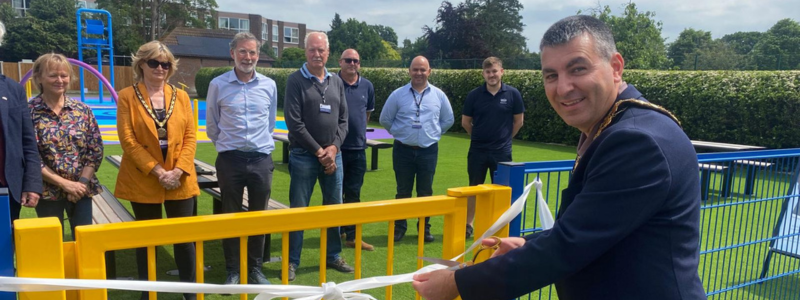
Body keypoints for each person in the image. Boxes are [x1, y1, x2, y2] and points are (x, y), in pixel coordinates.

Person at [412, 15, 706, 300]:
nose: (562, 88)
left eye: (577, 69)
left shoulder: (636, 140)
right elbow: (590, 228)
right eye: (551, 75)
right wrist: (528, 243)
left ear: (616, 67)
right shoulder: (619, 125)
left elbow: (569, 245)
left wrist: (457, 282)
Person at [115, 41, 200, 300]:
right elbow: (128, 140)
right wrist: (157, 171)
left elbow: (190, 137)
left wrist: (178, 170)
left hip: (180, 178)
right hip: (143, 178)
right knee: (147, 238)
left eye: (165, 64)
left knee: (184, 239)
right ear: (141, 64)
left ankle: (190, 293)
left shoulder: (182, 96)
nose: (160, 68)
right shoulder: (127, 96)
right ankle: (147, 292)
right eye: (154, 62)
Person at [206, 32, 276, 286]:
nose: (248, 57)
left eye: (253, 52)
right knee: (231, 216)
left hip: (260, 160)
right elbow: (212, 125)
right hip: (230, 161)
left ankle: (255, 269)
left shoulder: (269, 85)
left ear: (258, 55)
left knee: (259, 217)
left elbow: (268, 125)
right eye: (243, 52)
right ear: (232, 54)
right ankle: (233, 270)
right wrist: (229, 148)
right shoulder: (217, 85)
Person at [284, 31, 354, 281]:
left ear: (328, 52)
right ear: (306, 52)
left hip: (334, 158)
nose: (317, 54)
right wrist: (319, 151)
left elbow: (344, 120)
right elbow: (294, 123)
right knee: (299, 210)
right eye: (312, 49)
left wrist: (333, 149)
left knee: (333, 209)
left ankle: (333, 255)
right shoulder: (295, 80)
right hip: (304, 156)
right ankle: (292, 260)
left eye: (321, 50)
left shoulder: (336, 81)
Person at [379, 56, 454, 243]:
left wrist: (434, 133)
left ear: (429, 71)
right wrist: (399, 132)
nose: (419, 73)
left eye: (423, 70)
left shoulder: (439, 95)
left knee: (425, 191)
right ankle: (399, 227)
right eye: (415, 69)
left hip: (428, 150)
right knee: (403, 190)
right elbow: (385, 119)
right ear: (409, 71)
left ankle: (424, 229)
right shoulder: (398, 95)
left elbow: (448, 120)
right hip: (403, 150)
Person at [29, 53, 103, 240]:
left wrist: (81, 184)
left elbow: (94, 151)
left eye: (64, 75)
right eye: (53, 75)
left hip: (81, 188)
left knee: (85, 241)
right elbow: (30, 157)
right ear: (39, 77)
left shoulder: (82, 111)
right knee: (52, 243)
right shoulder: (28, 112)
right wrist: (65, 184)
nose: (59, 80)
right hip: (47, 191)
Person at [462, 57, 525, 238]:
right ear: (483, 74)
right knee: (473, 188)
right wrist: (478, 138)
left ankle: (498, 225)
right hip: (478, 151)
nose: (492, 75)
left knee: (502, 190)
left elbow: (518, 121)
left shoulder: (513, 94)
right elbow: (466, 122)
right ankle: (468, 225)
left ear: (502, 72)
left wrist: (505, 139)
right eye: (488, 72)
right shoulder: (474, 95)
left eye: (495, 71)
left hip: (502, 152)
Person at [0, 20, 43, 221]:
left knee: (5, 250)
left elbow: (28, 142)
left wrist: (32, 184)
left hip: (7, 190)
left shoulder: (13, 89)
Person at [336, 49, 376, 251]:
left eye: (356, 61)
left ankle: (351, 236)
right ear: (340, 62)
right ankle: (337, 232)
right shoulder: (331, 83)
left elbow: (366, 114)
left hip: (358, 148)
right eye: (348, 60)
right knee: (335, 194)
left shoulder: (367, 86)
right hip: (336, 149)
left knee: (353, 193)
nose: (352, 63)